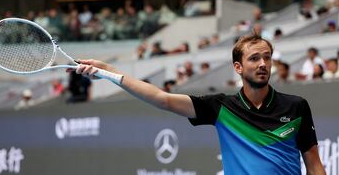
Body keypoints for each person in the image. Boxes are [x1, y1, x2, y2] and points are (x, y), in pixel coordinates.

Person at [71, 33, 325, 174]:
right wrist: (109, 71)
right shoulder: (222, 107)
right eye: (254, 58)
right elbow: (163, 99)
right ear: (238, 67)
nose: (262, 64)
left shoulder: (296, 107)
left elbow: (313, 163)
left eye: (267, 58)